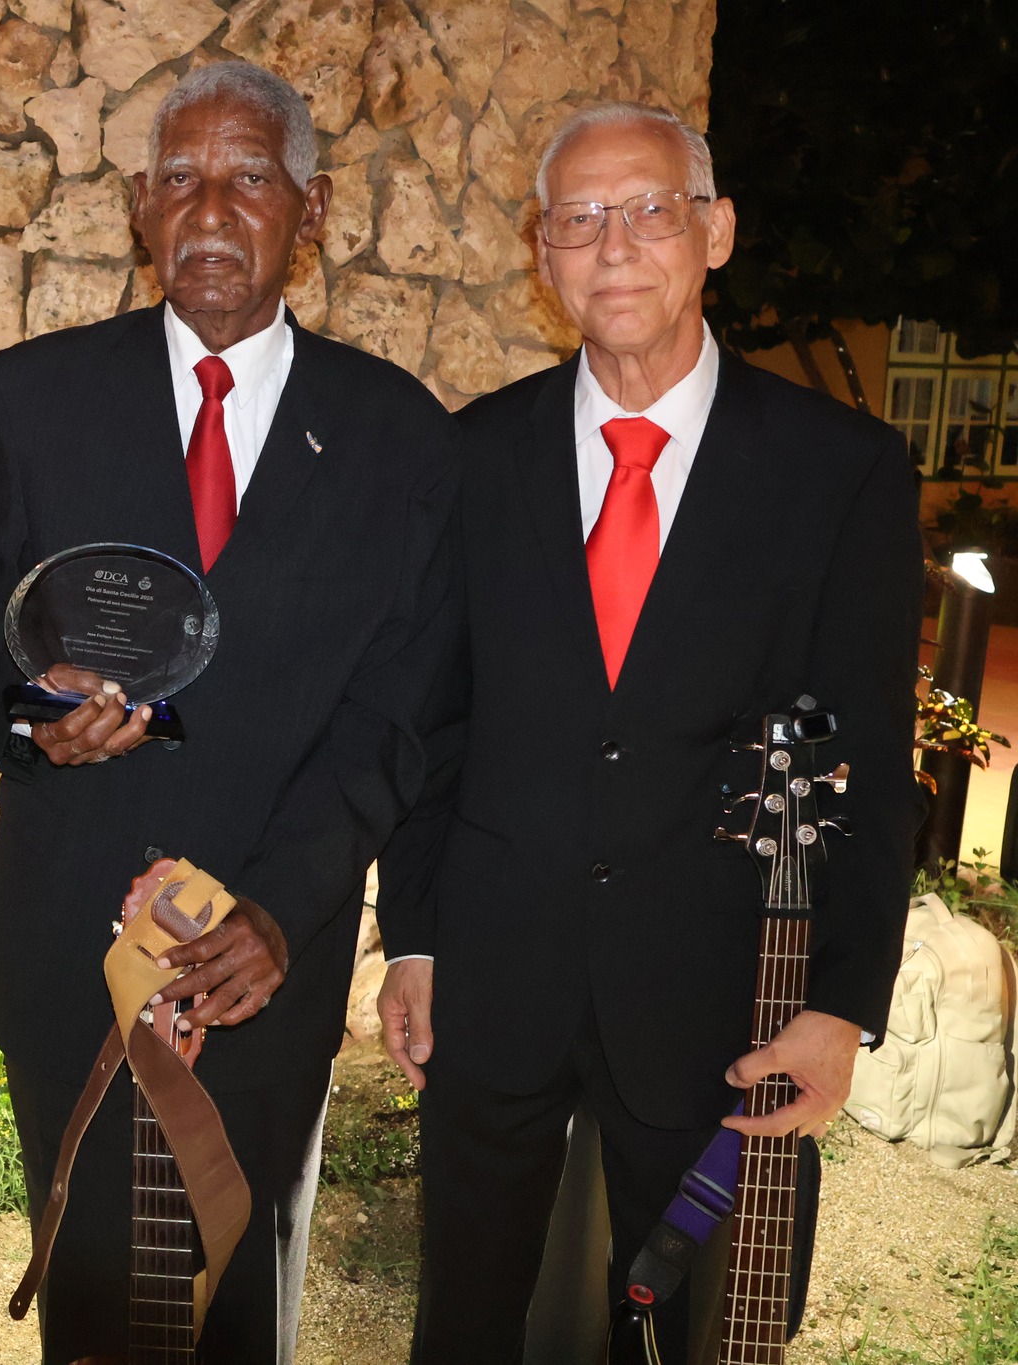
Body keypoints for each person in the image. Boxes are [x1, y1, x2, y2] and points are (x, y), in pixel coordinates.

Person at [376, 101, 923, 1364]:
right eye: (577, 219)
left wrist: (839, 1004)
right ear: (541, 253)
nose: (611, 245)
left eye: (646, 210)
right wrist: (414, 938)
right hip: (492, 988)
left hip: (723, 1003)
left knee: (694, 1337)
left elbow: (870, 761)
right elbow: (431, 720)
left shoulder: (838, 472)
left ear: (713, 232)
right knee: (460, 1325)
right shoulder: (470, 455)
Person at [0, 61, 460, 1363]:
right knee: (91, 1312)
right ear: (139, 205)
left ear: (312, 208)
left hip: (259, 964)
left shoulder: (396, 434)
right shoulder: (39, 395)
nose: (211, 209)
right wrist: (30, 713)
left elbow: (395, 711)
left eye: (249, 178)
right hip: (71, 950)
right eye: (179, 178)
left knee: (231, 1304)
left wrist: (280, 910)